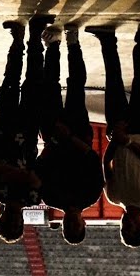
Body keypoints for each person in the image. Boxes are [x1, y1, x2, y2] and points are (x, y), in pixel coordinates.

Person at [90, 21, 140, 248]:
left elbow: (106, 164)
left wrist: (115, 140)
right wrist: (127, 141)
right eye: (129, 228)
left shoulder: (114, 197)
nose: (125, 224)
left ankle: (107, 40)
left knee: (113, 81)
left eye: (123, 229)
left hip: (119, 131)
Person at [36, 24, 105, 245]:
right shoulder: (91, 194)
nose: (71, 223)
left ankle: (53, 46)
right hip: (76, 134)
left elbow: (40, 164)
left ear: (63, 224)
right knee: (76, 87)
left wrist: (56, 140)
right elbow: (92, 158)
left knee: (50, 87)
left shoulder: (51, 197)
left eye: (68, 227)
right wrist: (67, 137)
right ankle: (73, 44)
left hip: (55, 135)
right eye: (76, 226)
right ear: (84, 224)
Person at [0, 17, 48, 243]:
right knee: (34, 81)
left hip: (3, 127)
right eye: (16, 224)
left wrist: (17, 174)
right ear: (22, 222)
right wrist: (11, 172)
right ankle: (35, 35)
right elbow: (33, 175)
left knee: (11, 78)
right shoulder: (33, 198)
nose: (12, 220)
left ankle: (18, 39)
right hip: (28, 131)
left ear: (1, 219)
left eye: (7, 223)